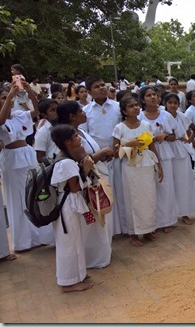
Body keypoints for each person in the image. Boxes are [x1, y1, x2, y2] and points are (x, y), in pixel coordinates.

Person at [57, 100, 114, 269]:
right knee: (93, 222)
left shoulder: (80, 131)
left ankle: (102, 253)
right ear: (72, 116)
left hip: (97, 178)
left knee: (101, 218)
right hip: (86, 183)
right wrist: (102, 152)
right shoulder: (68, 137)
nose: (84, 112)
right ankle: (92, 258)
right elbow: (81, 160)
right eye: (80, 110)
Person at [0, 80, 54, 251]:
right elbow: (1, 120)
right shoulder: (2, 119)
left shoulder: (18, 115)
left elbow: (37, 110)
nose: (5, 99)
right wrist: (9, 97)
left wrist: (29, 90)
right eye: (1, 98)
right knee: (17, 199)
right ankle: (23, 241)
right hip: (12, 159)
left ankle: (41, 235)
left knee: (35, 193)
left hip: (27, 154)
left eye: (5, 97)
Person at [49, 124, 96, 292]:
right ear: (68, 141)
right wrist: (85, 170)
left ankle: (78, 274)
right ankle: (68, 282)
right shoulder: (67, 163)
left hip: (69, 204)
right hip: (67, 206)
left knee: (75, 241)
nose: (79, 139)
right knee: (69, 243)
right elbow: (74, 187)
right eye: (76, 136)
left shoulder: (65, 158)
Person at [113, 97, 163, 246]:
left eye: (136, 105)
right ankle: (133, 233)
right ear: (124, 111)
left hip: (146, 164)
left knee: (148, 197)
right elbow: (115, 152)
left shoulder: (146, 125)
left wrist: (159, 166)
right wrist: (129, 143)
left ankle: (148, 229)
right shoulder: (120, 128)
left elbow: (153, 146)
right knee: (132, 199)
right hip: (130, 166)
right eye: (131, 106)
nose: (135, 108)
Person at [81, 76, 124, 238]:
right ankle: (110, 230)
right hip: (98, 159)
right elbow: (84, 135)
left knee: (120, 190)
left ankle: (124, 226)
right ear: (90, 91)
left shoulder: (117, 107)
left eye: (103, 85)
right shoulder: (86, 111)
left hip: (118, 155)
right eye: (97, 86)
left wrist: (116, 150)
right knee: (105, 191)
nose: (102, 88)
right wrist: (98, 155)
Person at [138, 86, 179, 233]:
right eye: (148, 95)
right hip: (147, 153)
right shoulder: (139, 117)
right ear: (143, 99)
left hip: (164, 152)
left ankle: (166, 220)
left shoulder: (166, 115)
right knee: (150, 187)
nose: (152, 97)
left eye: (154, 94)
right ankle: (151, 222)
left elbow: (175, 136)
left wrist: (165, 136)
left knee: (166, 186)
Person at [163, 93, 195, 225]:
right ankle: (169, 215)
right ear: (165, 104)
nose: (173, 105)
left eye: (175, 103)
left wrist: (190, 139)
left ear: (179, 104)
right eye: (170, 102)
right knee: (168, 183)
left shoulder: (182, 116)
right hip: (166, 148)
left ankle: (184, 213)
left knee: (183, 182)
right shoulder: (161, 116)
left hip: (180, 148)